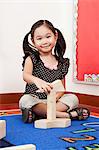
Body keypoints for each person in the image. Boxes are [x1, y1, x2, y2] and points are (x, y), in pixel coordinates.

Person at [19, 20, 90, 123]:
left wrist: (53, 99)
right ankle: (66, 115)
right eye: (39, 39)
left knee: (73, 98)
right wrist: (37, 81)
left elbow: (62, 88)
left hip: (54, 102)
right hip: (36, 100)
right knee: (25, 101)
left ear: (55, 36)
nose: (45, 41)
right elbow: (26, 75)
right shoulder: (32, 59)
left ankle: (40, 114)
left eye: (48, 37)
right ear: (33, 41)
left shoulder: (62, 63)